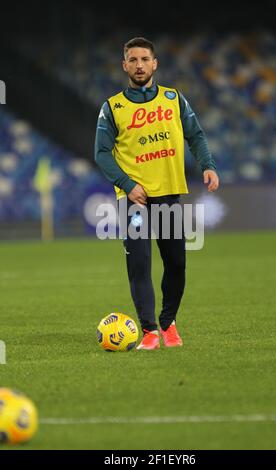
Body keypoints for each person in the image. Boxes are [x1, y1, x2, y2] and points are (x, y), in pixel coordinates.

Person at [95, 37, 219, 350]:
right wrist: (127, 184)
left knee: (176, 264)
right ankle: (149, 330)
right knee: (139, 264)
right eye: (133, 60)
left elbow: (196, 135)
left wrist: (208, 165)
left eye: (144, 59)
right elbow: (102, 153)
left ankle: (168, 322)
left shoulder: (174, 98)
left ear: (155, 64)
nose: (139, 65)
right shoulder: (113, 107)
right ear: (125, 65)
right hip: (133, 200)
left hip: (169, 195)